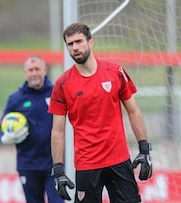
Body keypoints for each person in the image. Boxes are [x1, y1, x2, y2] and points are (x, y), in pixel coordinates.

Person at [48, 22, 152, 202]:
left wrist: (144, 149)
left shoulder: (115, 71)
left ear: (90, 42)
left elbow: (134, 111)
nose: (75, 48)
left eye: (79, 42)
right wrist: (58, 169)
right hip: (87, 164)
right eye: (70, 44)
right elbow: (57, 130)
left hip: (119, 159)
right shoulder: (62, 83)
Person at [0, 56, 63, 203]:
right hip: (28, 164)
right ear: (25, 72)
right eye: (30, 70)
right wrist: (5, 137)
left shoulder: (56, 93)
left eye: (37, 69)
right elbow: (0, 129)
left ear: (45, 70)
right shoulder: (15, 99)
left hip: (54, 164)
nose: (34, 73)